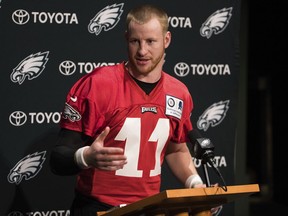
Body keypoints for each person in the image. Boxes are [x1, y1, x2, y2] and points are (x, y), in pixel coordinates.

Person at [50, 4, 207, 216]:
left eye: (151, 41)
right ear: (126, 39)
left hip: (151, 208)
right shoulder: (97, 85)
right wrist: (86, 157)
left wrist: (194, 183)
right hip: (97, 207)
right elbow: (58, 159)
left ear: (166, 40)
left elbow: (176, 148)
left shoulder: (179, 93)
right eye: (135, 41)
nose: (142, 51)